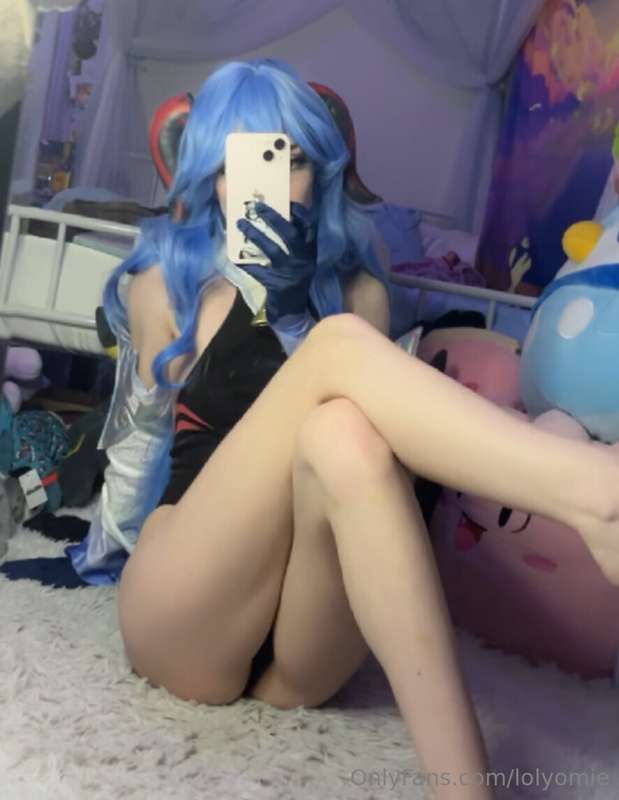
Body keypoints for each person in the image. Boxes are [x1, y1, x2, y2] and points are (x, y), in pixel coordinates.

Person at [15, 58, 619, 800]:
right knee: (335, 352)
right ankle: (595, 491)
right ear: (208, 177)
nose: (266, 184)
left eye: (289, 159)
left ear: (320, 171)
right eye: (239, 164)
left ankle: (464, 789)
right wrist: (98, 550)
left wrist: (293, 313)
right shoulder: (164, 284)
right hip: (188, 604)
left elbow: (362, 441)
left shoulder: (358, 289)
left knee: (346, 436)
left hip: (304, 643)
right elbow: (139, 447)